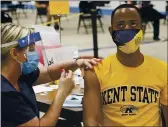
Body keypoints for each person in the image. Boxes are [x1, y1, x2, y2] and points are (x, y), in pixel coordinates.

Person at [83, 4, 167, 126]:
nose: (127, 29)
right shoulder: (95, 71)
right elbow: (90, 121)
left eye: (133, 24)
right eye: (120, 25)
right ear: (111, 31)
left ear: (142, 30)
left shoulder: (162, 69)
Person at [1, 23, 100, 126]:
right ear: (14, 53)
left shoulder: (19, 76)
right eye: (30, 48)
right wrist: (62, 93)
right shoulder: (5, 93)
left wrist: (77, 63)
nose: (35, 53)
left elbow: (48, 73)